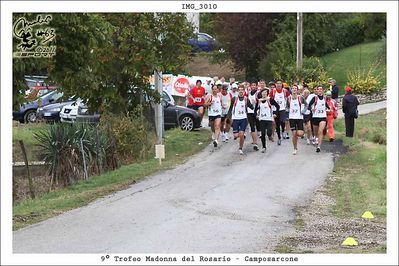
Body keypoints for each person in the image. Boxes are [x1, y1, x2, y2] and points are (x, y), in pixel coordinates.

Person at [228, 85, 255, 155]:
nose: (241, 91)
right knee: (236, 135)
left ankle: (240, 148)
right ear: (238, 91)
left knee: (242, 134)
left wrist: (254, 104)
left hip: (243, 119)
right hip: (236, 119)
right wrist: (228, 118)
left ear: (244, 91)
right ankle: (240, 136)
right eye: (239, 90)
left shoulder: (246, 99)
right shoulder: (234, 99)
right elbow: (230, 108)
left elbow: (252, 107)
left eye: (242, 90)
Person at [255, 88, 279, 153]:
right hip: (262, 119)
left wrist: (275, 114)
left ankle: (270, 136)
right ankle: (264, 147)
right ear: (261, 94)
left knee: (268, 132)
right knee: (262, 133)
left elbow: (277, 106)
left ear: (267, 93)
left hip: (269, 119)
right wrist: (256, 115)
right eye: (263, 92)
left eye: (265, 92)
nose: (264, 94)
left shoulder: (270, 100)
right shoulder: (259, 101)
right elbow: (255, 110)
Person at [307, 85, 330, 152]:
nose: (320, 90)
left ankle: (319, 147)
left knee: (320, 131)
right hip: (315, 117)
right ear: (316, 90)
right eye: (318, 89)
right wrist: (312, 109)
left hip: (322, 117)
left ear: (323, 91)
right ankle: (316, 138)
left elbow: (326, 105)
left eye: (321, 89)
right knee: (316, 132)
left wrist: (329, 109)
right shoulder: (315, 98)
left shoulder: (325, 98)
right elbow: (308, 106)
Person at [287, 84, 307, 155]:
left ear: (297, 90)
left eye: (295, 88)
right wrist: (287, 111)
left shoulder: (300, 97)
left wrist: (303, 111)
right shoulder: (289, 98)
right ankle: (295, 148)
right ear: (291, 90)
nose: (294, 90)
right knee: (294, 134)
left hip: (299, 117)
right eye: (293, 88)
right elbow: (286, 106)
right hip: (292, 118)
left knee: (300, 133)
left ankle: (303, 132)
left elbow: (306, 105)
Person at [269, 80, 290, 145]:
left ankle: (283, 131)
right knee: (277, 124)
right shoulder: (273, 91)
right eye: (277, 83)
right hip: (275, 109)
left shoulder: (285, 91)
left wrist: (288, 106)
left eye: (280, 83)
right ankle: (279, 138)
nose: (278, 85)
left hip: (282, 109)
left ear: (282, 84)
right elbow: (270, 99)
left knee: (282, 121)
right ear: (275, 84)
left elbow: (289, 98)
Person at [247, 80, 261, 151]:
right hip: (249, 112)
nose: (253, 86)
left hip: (257, 112)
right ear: (250, 86)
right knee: (252, 126)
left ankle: (259, 133)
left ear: (256, 86)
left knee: (258, 126)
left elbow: (262, 101)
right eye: (252, 85)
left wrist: (257, 101)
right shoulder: (248, 93)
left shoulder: (258, 93)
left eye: (254, 85)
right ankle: (255, 142)